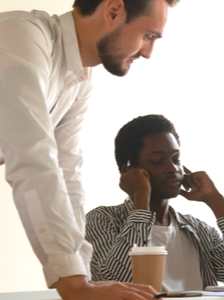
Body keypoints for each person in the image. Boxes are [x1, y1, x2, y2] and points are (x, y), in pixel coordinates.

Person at [0, 0, 177, 299]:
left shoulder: (81, 79)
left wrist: (83, 276)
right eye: (147, 36)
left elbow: (68, 173)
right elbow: (33, 159)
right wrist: (72, 282)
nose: (148, 53)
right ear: (113, 10)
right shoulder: (19, 35)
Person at [85, 114, 224, 291]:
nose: (173, 168)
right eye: (158, 161)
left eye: (176, 159)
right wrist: (141, 196)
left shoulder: (199, 230)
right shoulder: (101, 219)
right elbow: (114, 280)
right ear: (129, 171)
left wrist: (216, 200)